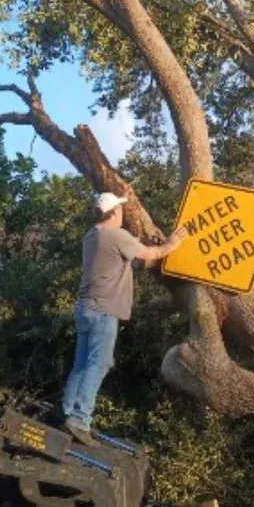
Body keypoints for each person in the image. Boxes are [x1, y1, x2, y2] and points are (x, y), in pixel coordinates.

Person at [62, 191, 187, 446]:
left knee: (82, 363)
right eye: (120, 210)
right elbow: (150, 255)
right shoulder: (117, 236)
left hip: (85, 308)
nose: (123, 213)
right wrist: (172, 243)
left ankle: (67, 412)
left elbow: (121, 258)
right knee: (100, 363)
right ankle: (79, 419)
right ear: (115, 212)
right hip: (103, 312)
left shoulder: (91, 236)